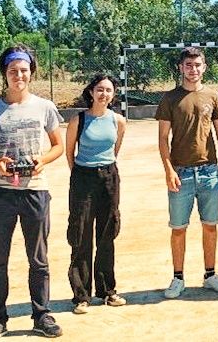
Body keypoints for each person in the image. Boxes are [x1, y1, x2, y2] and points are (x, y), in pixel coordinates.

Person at [0, 45, 64, 341]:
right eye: (13, 71)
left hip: (35, 192)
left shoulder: (45, 107)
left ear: (31, 72)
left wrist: (42, 161)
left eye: (24, 70)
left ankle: (41, 315)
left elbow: (58, 146)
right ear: (5, 74)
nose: (18, 75)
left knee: (38, 259)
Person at [156, 47, 218, 299]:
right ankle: (178, 278)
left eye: (198, 65)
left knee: (210, 226)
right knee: (178, 227)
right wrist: (169, 170)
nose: (193, 69)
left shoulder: (212, 96)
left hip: (209, 171)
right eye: (188, 65)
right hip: (181, 173)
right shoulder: (170, 98)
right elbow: (162, 139)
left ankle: (210, 274)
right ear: (181, 67)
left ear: (204, 67)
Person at [65, 74, 127, 314]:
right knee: (80, 234)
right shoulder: (78, 120)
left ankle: (107, 291)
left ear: (113, 94)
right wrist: (81, 174)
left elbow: (115, 149)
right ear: (91, 92)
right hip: (83, 178)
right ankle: (81, 295)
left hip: (109, 178)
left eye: (109, 90)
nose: (104, 94)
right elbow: (69, 152)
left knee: (107, 233)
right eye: (100, 89)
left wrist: (105, 170)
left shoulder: (118, 121)